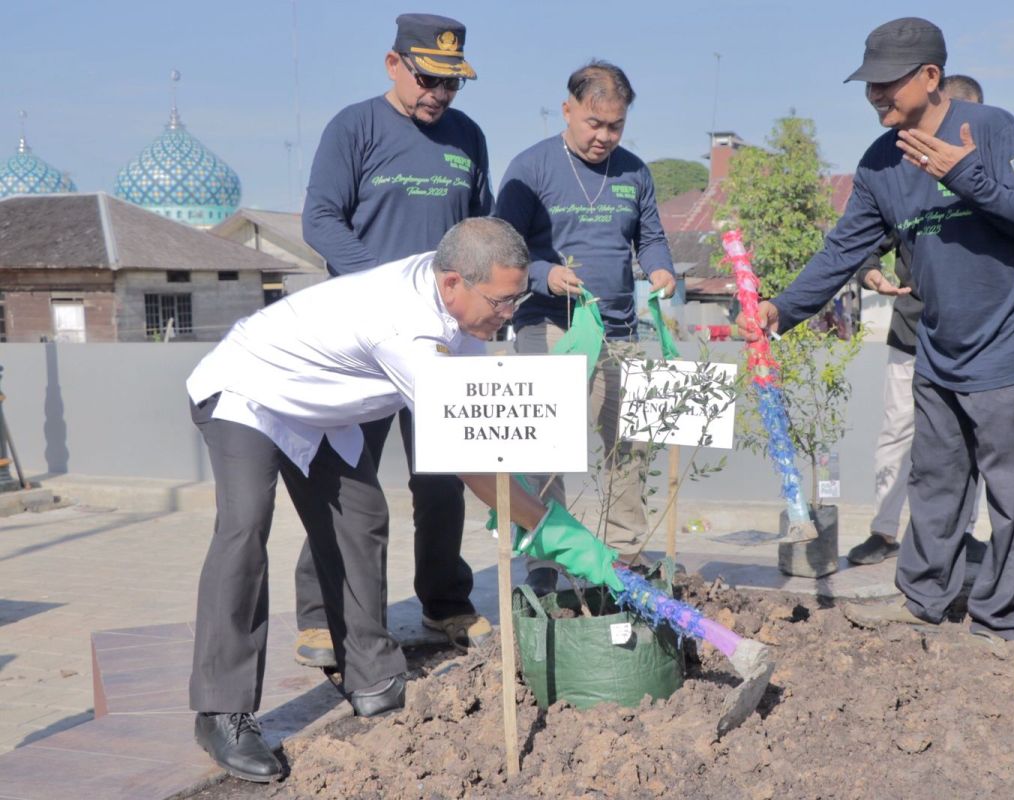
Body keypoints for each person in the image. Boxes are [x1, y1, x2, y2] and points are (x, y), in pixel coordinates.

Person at [187, 218, 577, 782]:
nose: (510, 312)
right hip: (249, 391)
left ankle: (371, 676)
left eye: (517, 297)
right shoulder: (407, 328)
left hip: (318, 406)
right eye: (502, 300)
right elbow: (466, 456)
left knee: (362, 517)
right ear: (452, 284)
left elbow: (483, 422)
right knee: (245, 525)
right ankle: (222, 711)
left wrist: (532, 505)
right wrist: (551, 530)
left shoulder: (460, 297)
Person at [737, 18, 1014, 653]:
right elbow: (844, 252)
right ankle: (923, 598)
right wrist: (783, 309)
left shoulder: (994, 129)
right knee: (935, 481)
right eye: (868, 86)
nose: (875, 97)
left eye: (887, 85)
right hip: (940, 347)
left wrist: (967, 175)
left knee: (1010, 496)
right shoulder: (879, 163)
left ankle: (1000, 622)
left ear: (930, 77)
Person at [297, 12, 493, 665]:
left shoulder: (468, 137)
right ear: (393, 64)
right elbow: (319, 219)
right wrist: (386, 286)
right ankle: (323, 612)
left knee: (442, 477)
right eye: (427, 79)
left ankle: (444, 601)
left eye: (451, 83)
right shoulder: (354, 128)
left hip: (441, 340)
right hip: (363, 334)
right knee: (343, 473)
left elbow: (476, 232)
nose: (438, 94)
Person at [494, 60, 676, 594]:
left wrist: (660, 266)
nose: (604, 137)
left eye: (615, 126)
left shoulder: (635, 172)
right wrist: (544, 274)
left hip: (621, 329)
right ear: (568, 110)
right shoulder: (530, 169)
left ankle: (624, 553)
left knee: (631, 443)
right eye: (594, 123)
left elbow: (651, 238)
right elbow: (503, 253)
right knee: (546, 446)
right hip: (551, 327)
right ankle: (547, 559)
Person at [847, 74, 988, 567]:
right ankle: (884, 532)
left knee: (968, 440)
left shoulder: (988, 180)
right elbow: (864, 240)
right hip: (911, 329)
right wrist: (869, 272)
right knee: (898, 431)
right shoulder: (901, 177)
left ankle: (963, 533)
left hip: (976, 339)